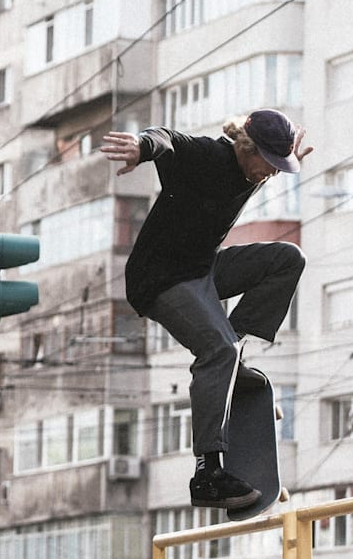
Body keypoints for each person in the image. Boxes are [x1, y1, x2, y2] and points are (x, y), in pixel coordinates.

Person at [101, 109, 313, 511]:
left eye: (276, 169)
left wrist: (288, 155)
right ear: (246, 148)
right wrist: (141, 147)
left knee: (288, 259)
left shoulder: (256, 167)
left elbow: (271, 163)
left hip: (202, 268)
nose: (267, 176)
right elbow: (166, 138)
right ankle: (208, 475)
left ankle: (230, 365)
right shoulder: (205, 157)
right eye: (267, 165)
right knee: (218, 349)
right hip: (160, 278)